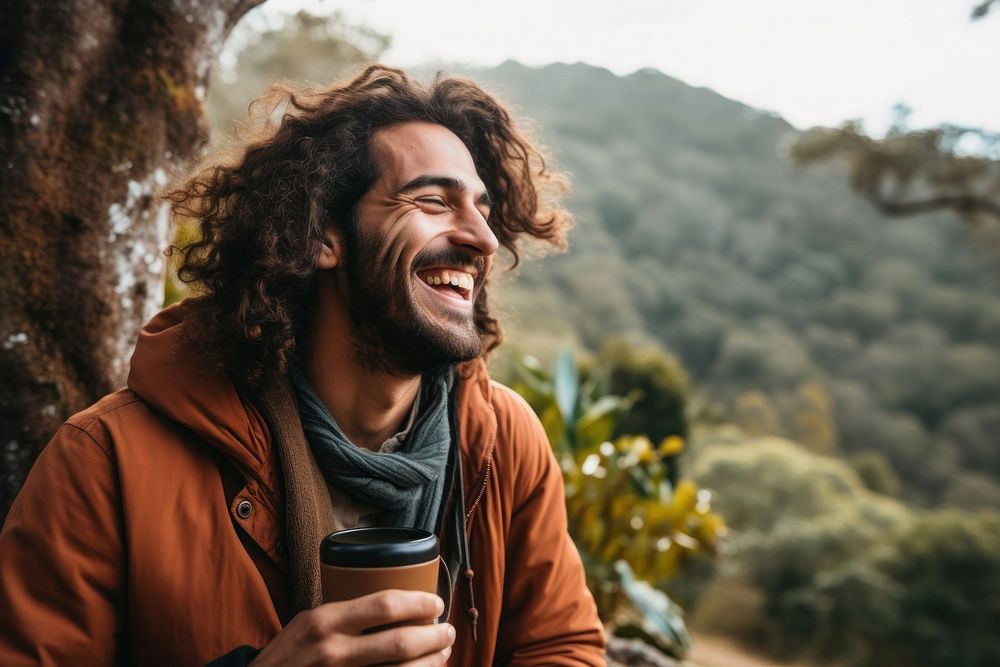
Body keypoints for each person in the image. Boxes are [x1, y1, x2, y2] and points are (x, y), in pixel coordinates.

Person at [0, 65, 605, 665]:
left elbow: (563, 648)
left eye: (481, 207)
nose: (482, 237)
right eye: (432, 200)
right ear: (323, 237)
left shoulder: (503, 442)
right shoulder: (107, 459)